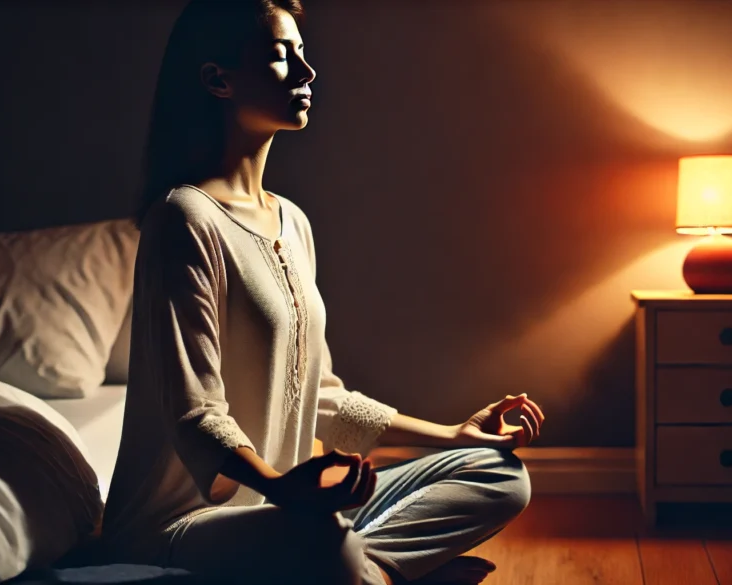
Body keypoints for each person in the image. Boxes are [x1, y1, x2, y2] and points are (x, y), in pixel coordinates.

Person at [99, 1, 545, 584]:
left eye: (303, 55)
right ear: (218, 79)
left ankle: (369, 573)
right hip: (181, 527)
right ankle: (359, 566)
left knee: (500, 474)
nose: (307, 73)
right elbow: (196, 414)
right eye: (283, 57)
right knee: (321, 537)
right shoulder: (184, 218)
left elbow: (324, 397)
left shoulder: (292, 222)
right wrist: (281, 487)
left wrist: (452, 434)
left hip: (288, 509)